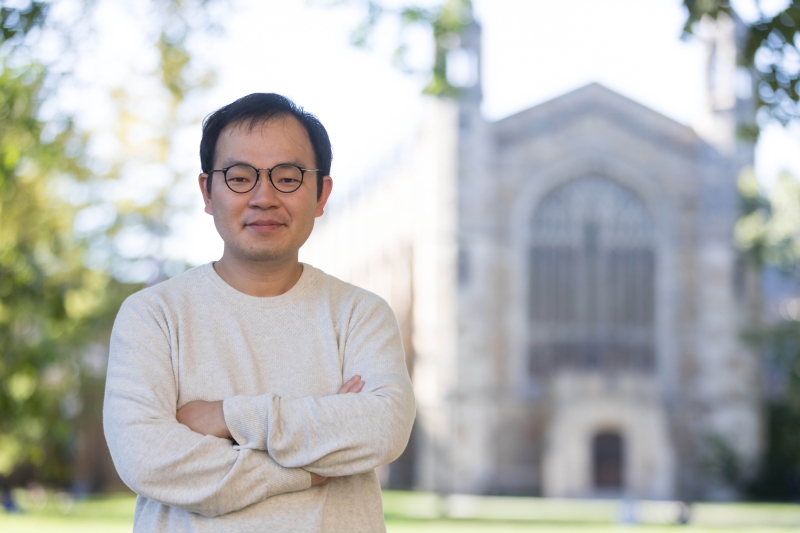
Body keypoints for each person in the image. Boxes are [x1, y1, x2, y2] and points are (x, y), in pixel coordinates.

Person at [103, 93, 416, 532]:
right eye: (239, 177)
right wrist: (311, 467)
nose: (264, 197)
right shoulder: (152, 316)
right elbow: (147, 459)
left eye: (288, 177)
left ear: (321, 193)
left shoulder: (361, 315)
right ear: (207, 191)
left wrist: (226, 416)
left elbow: (384, 428)